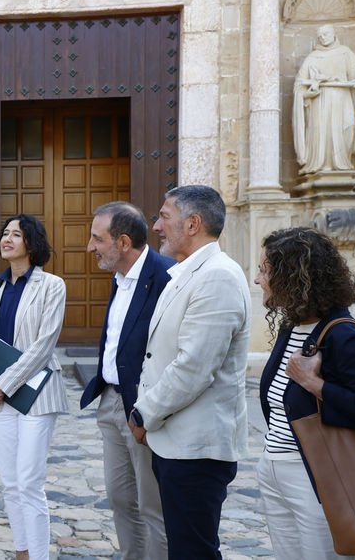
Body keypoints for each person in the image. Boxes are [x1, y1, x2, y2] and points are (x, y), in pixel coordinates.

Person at [255, 227, 355, 560]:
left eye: (265, 270)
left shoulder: (344, 336)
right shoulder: (292, 326)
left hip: (318, 478)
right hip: (275, 469)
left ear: (293, 278)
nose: (257, 279)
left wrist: (316, 385)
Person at [133, 185, 250, 559]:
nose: (156, 226)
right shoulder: (187, 273)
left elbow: (194, 368)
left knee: (193, 551)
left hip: (197, 448)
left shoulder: (218, 277)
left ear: (193, 224)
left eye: (164, 217)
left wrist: (143, 414)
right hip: (175, 442)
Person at [79, 201, 174, 560]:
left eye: (97, 238)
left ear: (122, 242)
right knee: (120, 499)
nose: (89, 247)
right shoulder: (119, 278)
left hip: (144, 409)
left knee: (153, 506)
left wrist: (149, 411)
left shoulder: (167, 277)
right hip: (111, 402)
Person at [0, 214, 69, 560]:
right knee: (10, 484)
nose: (7, 239)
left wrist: (5, 382)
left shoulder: (52, 285)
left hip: (36, 393)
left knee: (29, 483)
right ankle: (22, 552)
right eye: (5, 233)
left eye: (17, 234)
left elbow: (44, 345)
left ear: (32, 242)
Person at [291, 24, 355, 174]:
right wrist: (307, 94)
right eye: (320, 36)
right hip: (319, 102)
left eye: (325, 34)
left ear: (333, 34)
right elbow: (299, 84)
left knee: (345, 130)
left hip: (341, 99)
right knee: (322, 134)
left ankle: (342, 163)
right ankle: (321, 165)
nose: (323, 38)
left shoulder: (345, 53)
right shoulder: (312, 57)